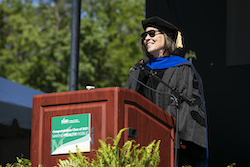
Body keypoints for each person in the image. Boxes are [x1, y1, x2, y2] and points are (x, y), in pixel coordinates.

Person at [125, 16, 208, 167]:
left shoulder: (182, 68)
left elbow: (188, 107)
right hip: (139, 143)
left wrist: (176, 139)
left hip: (171, 144)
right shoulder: (139, 70)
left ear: (167, 37)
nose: (146, 38)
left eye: (152, 34)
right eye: (144, 35)